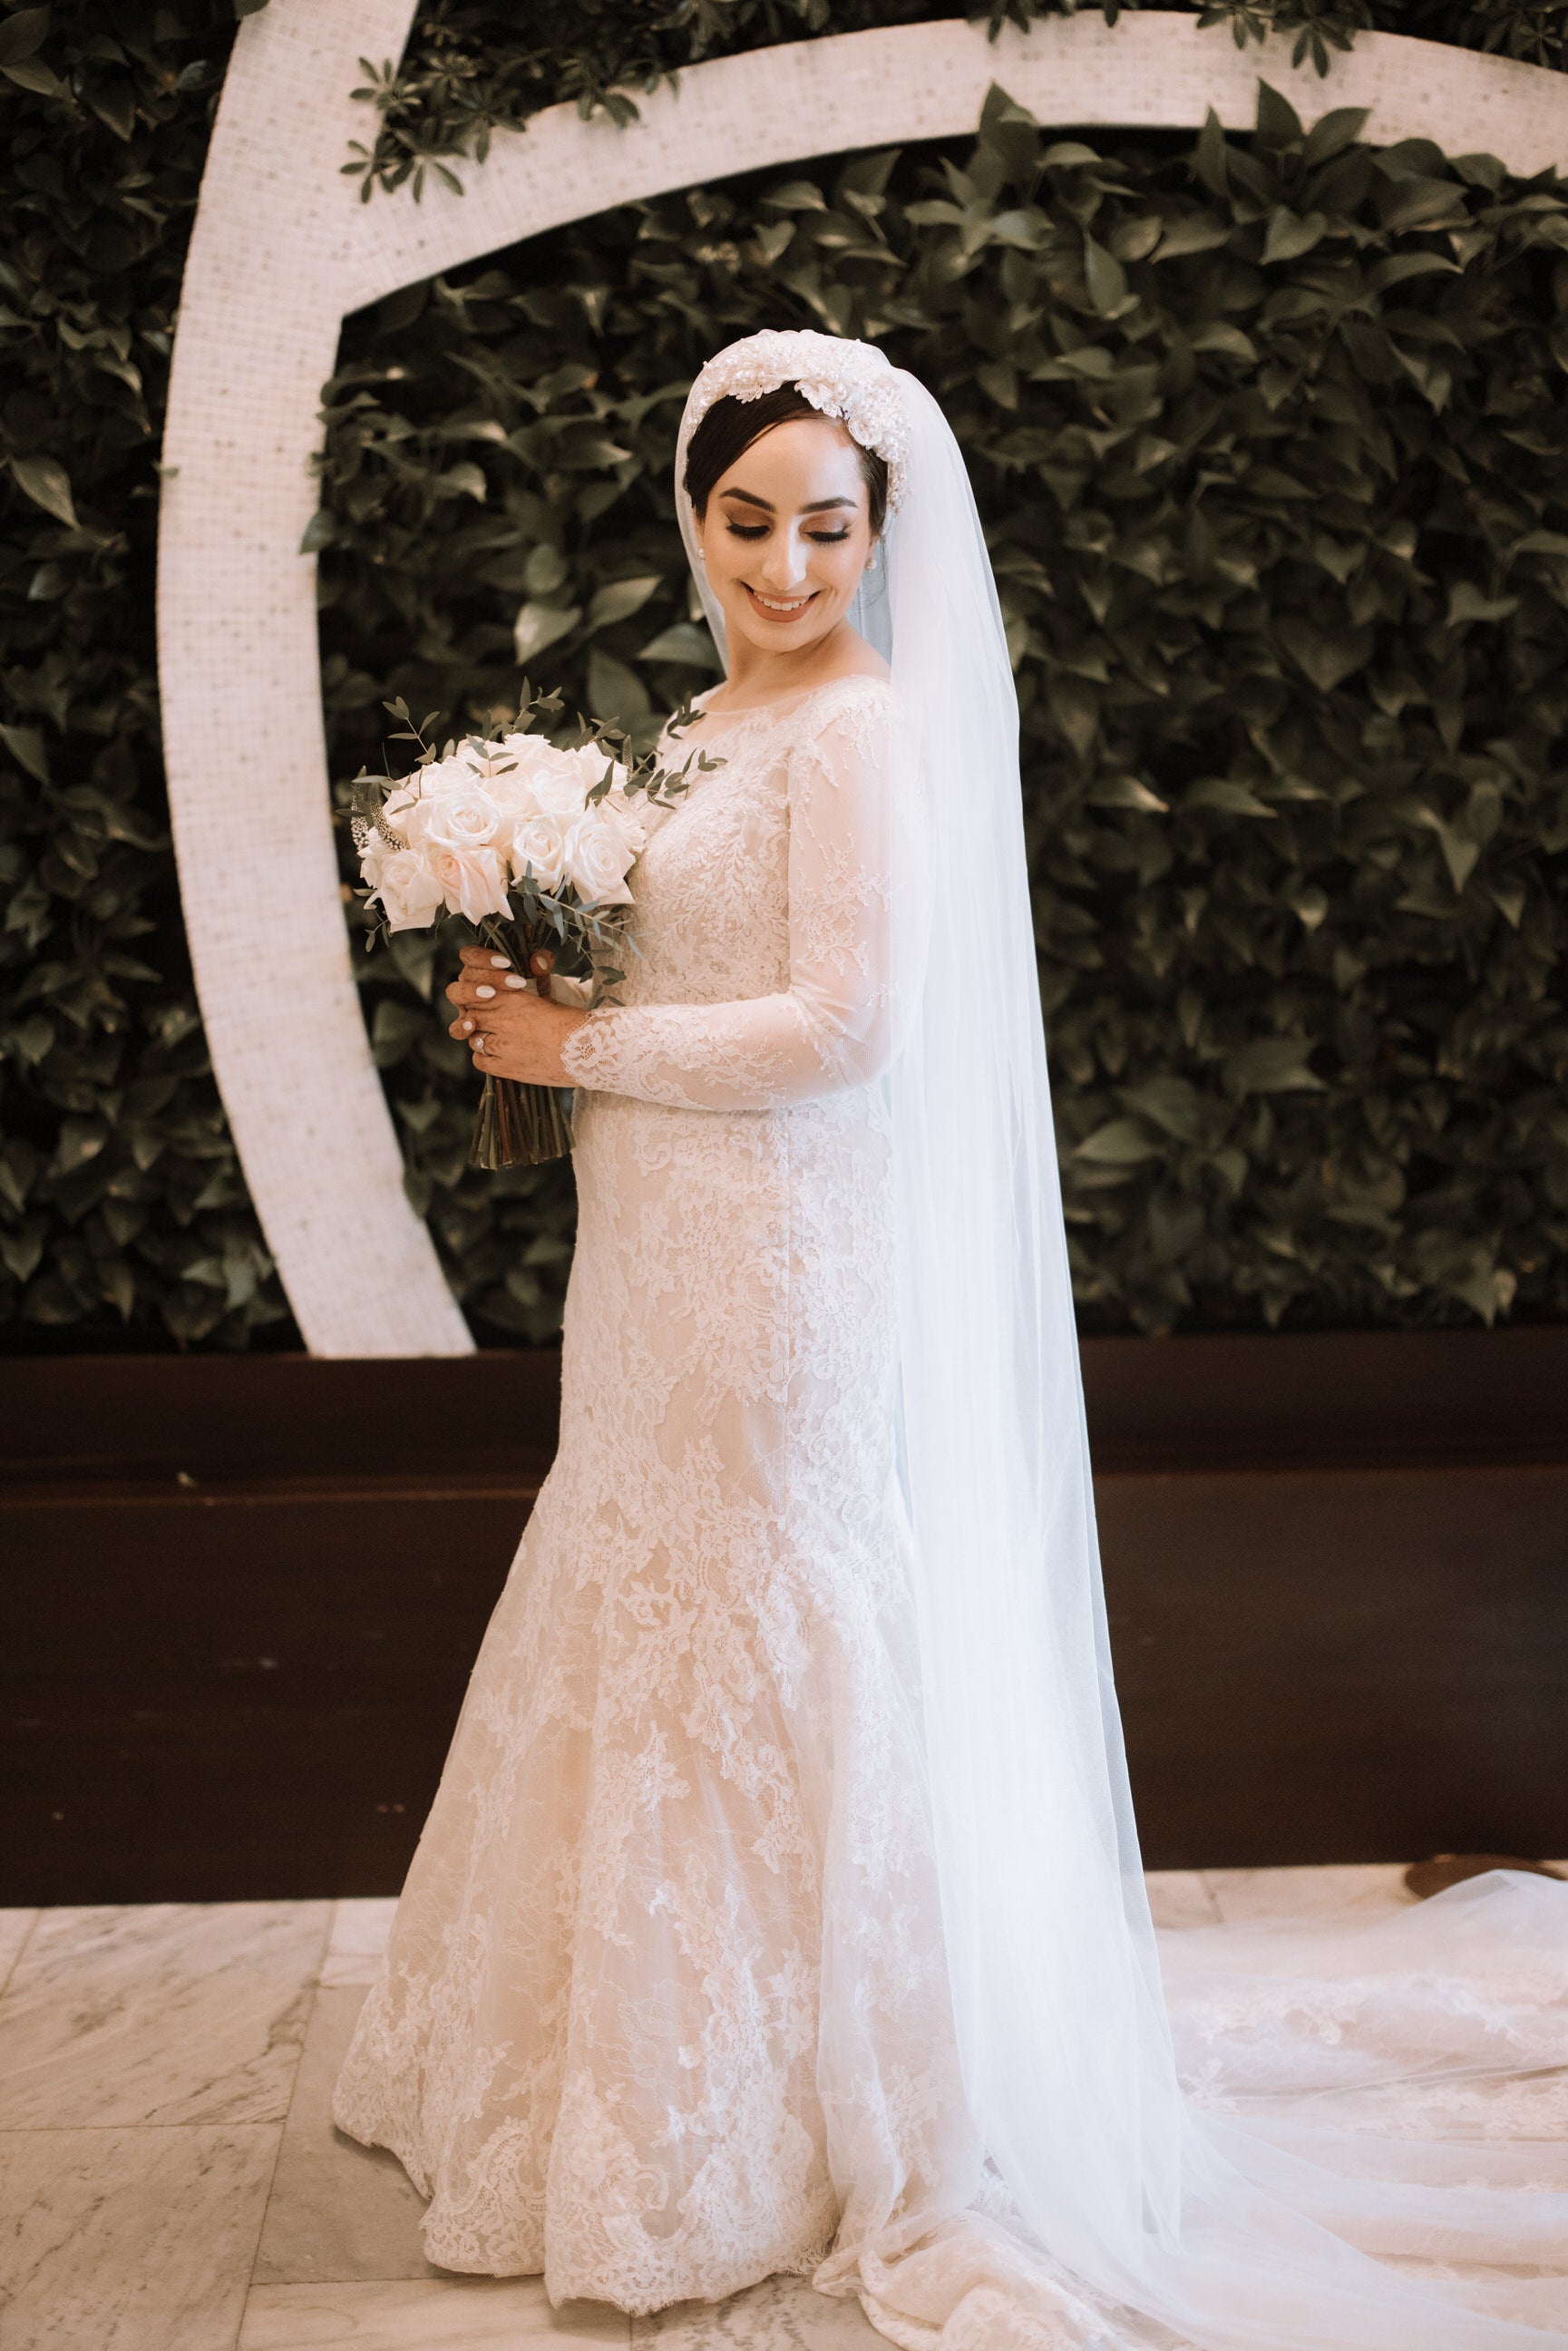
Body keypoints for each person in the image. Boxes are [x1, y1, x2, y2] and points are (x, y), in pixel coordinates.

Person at [334, 329, 1568, 2348]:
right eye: (747, 522)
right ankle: (603, 2079)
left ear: (883, 534)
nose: (787, 567)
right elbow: (687, 973)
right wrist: (530, 967)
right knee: (638, 1579)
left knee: (757, 1611)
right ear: (691, 512)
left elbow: (847, 1031)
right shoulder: (702, 726)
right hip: (649, 1256)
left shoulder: (864, 734)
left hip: (783, 1270)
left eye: (828, 528)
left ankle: (788, 2121)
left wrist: (585, 1043)